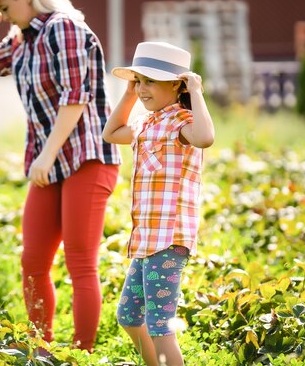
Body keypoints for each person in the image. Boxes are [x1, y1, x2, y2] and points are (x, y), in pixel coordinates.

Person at [0, 0, 121, 351]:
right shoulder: (22, 38)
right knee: (33, 262)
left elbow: (76, 98)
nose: (4, 13)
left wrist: (47, 153)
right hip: (50, 163)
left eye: (5, 6)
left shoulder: (64, 28)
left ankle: (82, 352)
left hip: (86, 157)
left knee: (79, 262)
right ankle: (43, 349)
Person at [102, 41, 215, 366]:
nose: (142, 88)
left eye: (149, 81)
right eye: (138, 80)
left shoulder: (182, 122)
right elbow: (112, 133)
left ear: (176, 85)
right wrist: (129, 94)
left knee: (159, 325)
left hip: (169, 239)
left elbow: (206, 138)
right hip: (146, 239)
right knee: (127, 315)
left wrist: (196, 92)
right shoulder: (144, 122)